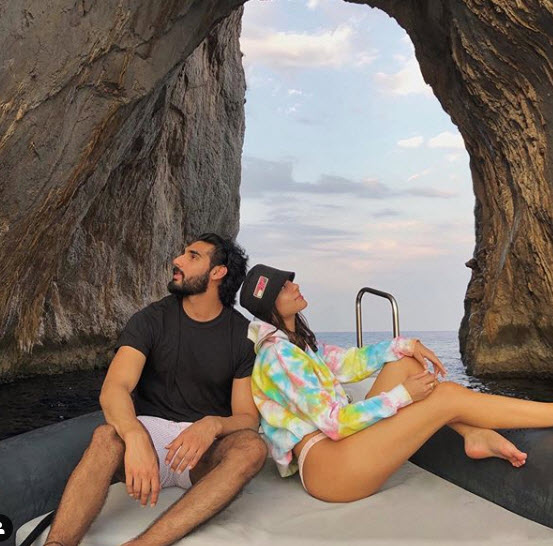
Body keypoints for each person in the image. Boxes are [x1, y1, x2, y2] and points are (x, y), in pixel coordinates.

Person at [238, 263, 553, 503]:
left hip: (338, 451)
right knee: (447, 396)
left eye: (290, 280)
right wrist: (404, 395)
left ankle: (471, 434)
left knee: (404, 361)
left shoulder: (297, 343)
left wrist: (406, 345)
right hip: (329, 468)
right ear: (270, 307)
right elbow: (335, 423)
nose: (294, 286)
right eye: (283, 288)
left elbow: (349, 362)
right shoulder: (278, 355)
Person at [44, 234, 267, 546]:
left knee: (252, 447)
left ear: (218, 272)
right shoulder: (151, 320)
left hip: (200, 451)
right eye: (182, 253)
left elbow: (247, 418)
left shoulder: (242, 335)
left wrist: (213, 425)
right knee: (106, 436)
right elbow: (115, 388)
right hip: (149, 433)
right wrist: (134, 435)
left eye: (192, 256)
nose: (177, 260)